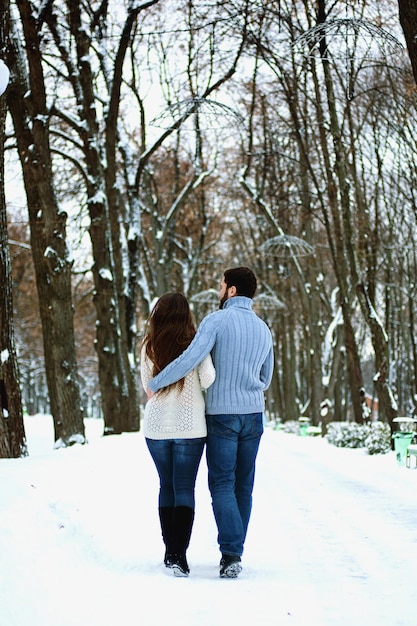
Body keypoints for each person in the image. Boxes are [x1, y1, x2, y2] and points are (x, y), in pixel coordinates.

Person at [148, 267, 274, 578]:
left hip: (221, 415)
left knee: (221, 484)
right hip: (254, 414)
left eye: (221, 285)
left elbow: (191, 359)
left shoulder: (216, 322)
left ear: (231, 290)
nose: (219, 290)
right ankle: (233, 553)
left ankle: (231, 553)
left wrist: (157, 382)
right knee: (244, 484)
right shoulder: (263, 328)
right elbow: (266, 378)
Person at [140, 292, 215, 577]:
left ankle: (169, 551)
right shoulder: (196, 343)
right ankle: (179, 555)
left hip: (157, 426)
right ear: (187, 315)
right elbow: (208, 379)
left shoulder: (148, 345)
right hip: (190, 426)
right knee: (184, 487)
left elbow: (148, 385)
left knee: (165, 485)